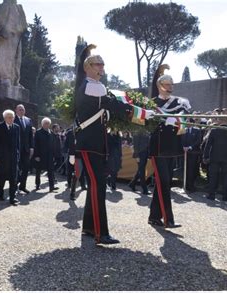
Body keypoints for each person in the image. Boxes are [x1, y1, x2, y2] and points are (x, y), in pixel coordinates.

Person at [74, 44, 154, 244]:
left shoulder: (92, 86)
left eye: (102, 64)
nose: (101, 67)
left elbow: (109, 107)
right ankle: (101, 233)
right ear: (88, 68)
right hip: (90, 144)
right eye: (97, 64)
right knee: (98, 185)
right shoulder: (91, 86)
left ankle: (90, 228)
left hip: (96, 144)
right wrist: (142, 113)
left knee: (96, 185)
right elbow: (114, 105)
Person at [148, 64, 191, 228]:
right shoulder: (152, 103)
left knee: (163, 183)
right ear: (160, 86)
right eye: (167, 84)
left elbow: (185, 118)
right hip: (158, 148)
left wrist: (178, 119)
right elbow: (147, 123)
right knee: (164, 183)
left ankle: (154, 217)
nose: (171, 87)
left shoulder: (180, 102)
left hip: (173, 146)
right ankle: (168, 219)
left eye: (172, 84)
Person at [203, 117, 227, 201]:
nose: (217, 121)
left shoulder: (214, 131)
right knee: (226, 177)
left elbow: (208, 145)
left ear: (221, 121)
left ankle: (211, 194)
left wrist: (205, 156)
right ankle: (225, 196)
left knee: (213, 176)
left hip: (215, 157)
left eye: (218, 120)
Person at [0, 110, 20, 205]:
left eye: (12, 117)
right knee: (1, 178)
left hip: (13, 158)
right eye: (9, 117)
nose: (11, 119)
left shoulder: (16, 127)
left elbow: (18, 143)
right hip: (2, 158)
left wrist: (18, 155)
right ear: (4, 118)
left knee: (13, 179)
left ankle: (13, 198)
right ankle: (0, 194)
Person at [13, 104, 34, 194]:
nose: (21, 111)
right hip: (16, 148)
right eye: (20, 109)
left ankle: (22, 186)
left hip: (26, 149)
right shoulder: (13, 119)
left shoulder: (28, 120)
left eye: (23, 109)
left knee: (26, 168)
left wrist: (32, 147)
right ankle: (14, 186)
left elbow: (30, 136)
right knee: (16, 168)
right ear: (16, 110)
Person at [34, 117, 58, 192]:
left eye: (48, 123)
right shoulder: (38, 132)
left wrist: (54, 155)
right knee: (38, 171)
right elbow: (35, 145)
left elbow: (53, 144)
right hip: (40, 155)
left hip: (49, 155)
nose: (47, 125)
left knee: (51, 171)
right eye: (45, 123)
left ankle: (52, 187)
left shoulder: (51, 132)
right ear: (42, 124)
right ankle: (37, 185)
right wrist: (36, 155)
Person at [181, 123, 203, 193]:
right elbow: (181, 139)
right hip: (185, 153)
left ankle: (191, 186)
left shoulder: (197, 131)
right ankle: (185, 185)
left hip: (193, 153)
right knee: (185, 169)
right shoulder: (183, 130)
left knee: (191, 170)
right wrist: (183, 147)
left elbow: (198, 141)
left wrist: (190, 147)